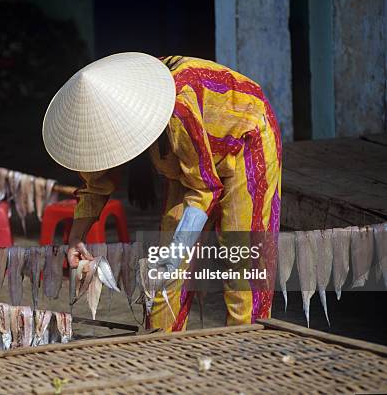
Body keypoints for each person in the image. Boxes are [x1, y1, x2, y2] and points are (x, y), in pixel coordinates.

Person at [42, 52, 281, 331]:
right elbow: (95, 183)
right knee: (163, 276)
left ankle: (244, 355)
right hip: (189, 162)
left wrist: (180, 248)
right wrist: (75, 238)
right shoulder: (102, 119)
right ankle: (160, 348)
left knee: (242, 261)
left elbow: (204, 188)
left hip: (247, 141)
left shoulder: (178, 106)